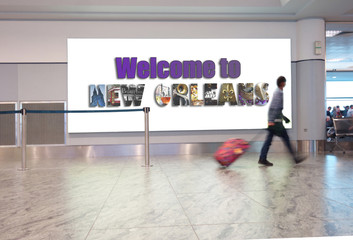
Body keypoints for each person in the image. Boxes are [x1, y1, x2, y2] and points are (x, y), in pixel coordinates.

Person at [259, 76, 306, 166]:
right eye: (284, 82)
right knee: (285, 140)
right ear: (282, 83)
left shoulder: (279, 92)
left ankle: (262, 158)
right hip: (276, 124)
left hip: (276, 122)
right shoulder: (278, 93)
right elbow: (274, 107)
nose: (285, 83)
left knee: (269, 141)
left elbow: (277, 109)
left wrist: (284, 118)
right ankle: (295, 158)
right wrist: (271, 120)